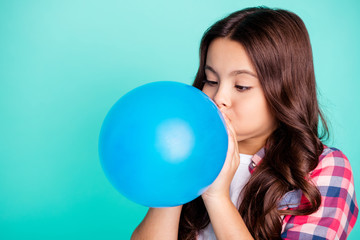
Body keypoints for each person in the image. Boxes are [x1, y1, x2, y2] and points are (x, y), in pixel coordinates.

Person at [131, 6, 358, 240]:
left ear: (285, 91)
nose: (219, 98)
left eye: (241, 86)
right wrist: (180, 173)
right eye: (211, 80)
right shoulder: (190, 152)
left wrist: (217, 197)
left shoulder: (322, 169)